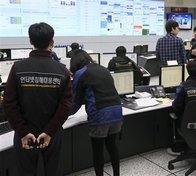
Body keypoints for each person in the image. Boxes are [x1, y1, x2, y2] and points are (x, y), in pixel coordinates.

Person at [3, 22, 72, 176]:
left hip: (25, 135)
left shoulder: (17, 68)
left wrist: (23, 131)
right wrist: (49, 131)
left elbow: (9, 103)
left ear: (30, 41)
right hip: (52, 134)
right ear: (52, 42)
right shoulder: (62, 71)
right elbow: (66, 105)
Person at [70, 49, 123, 176]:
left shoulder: (80, 73)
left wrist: (62, 114)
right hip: (117, 111)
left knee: (98, 151)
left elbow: (76, 102)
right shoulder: (104, 68)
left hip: (100, 115)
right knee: (112, 146)